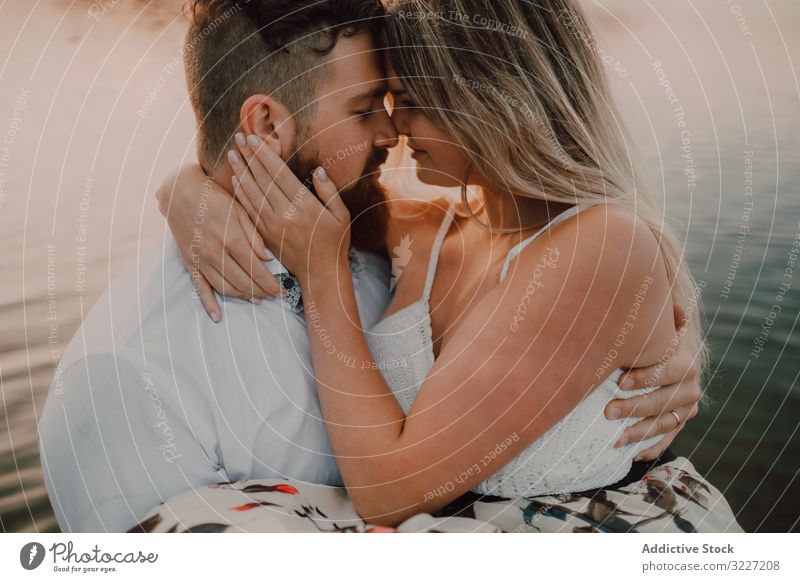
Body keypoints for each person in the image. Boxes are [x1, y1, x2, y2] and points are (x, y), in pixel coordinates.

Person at [144, 0, 740, 532]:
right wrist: (185, 188)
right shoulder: (434, 228)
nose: (394, 129)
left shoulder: (605, 244)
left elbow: (387, 493)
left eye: (411, 103)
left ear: (492, 100)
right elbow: (292, 186)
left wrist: (323, 276)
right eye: (382, 104)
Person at [37, 0, 398, 533]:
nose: (391, 135)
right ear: (267, 124)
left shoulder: (383, 257)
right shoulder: (124, 377)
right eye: (364, 110)